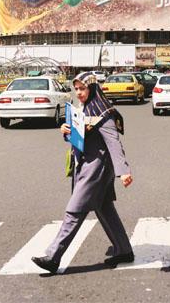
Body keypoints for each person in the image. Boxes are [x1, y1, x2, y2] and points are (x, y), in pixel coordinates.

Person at [31, 71, 134, 274]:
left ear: (93, 87)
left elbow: (114, 142)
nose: (78, 92)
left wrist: (123, 171)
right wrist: (66, 132)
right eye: (76, 88)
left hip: (97, 168)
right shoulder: (83, 109)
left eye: (83, 88)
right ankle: (124, 250)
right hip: (85, 165)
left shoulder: (104, 112)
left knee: (75, 210)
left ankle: (53, 257)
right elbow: (79, 139)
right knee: (104, 208)